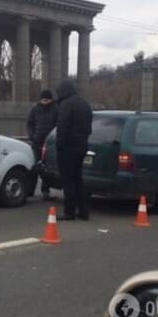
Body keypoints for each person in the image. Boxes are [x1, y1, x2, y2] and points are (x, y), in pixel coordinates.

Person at [54, 79, 92, 221]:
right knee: (78, 179)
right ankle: (84, 211)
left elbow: (62, 127)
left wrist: (59, 146)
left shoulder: (66, 104)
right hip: (82, 146)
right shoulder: (84, 104)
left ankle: (69, 212)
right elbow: (89, 129)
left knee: (68, 180)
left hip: (68, 148)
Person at [26, 90, 58, 200]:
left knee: (47, 169)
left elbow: (58, 125)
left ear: (50, 99)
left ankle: (45, 191)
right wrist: (32, 136)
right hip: (37, 141)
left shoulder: (56, 109)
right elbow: (30, 123)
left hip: (49, 143)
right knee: (34, 167)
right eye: (43, 99)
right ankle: (30, 191)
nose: (45, 101)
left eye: (47, 100)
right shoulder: (35, 109)